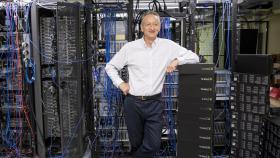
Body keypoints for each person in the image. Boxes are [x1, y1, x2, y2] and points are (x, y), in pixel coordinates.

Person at [105, 11, 199, 158]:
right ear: (141, 28)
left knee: (153, 145)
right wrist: (121, 83)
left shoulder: (167, 46)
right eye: (148, 24)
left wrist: (177, 61)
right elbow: (110, 67)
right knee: (136, 144)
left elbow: (194, 57)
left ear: (159, 27)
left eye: (155, 24)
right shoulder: (130, 48)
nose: (152, 27)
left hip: (154, 103)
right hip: (133, 103)